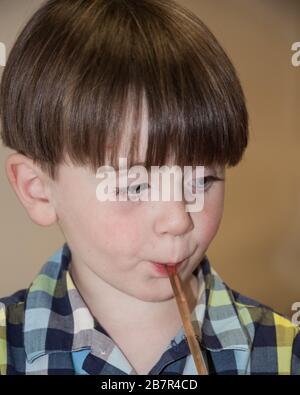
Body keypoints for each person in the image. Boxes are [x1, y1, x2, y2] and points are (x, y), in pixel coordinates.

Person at [0, 0, 299, 375]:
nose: (177, 220)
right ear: (38, 189)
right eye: (135, 186)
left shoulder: (285, 351)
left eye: (202, 180)